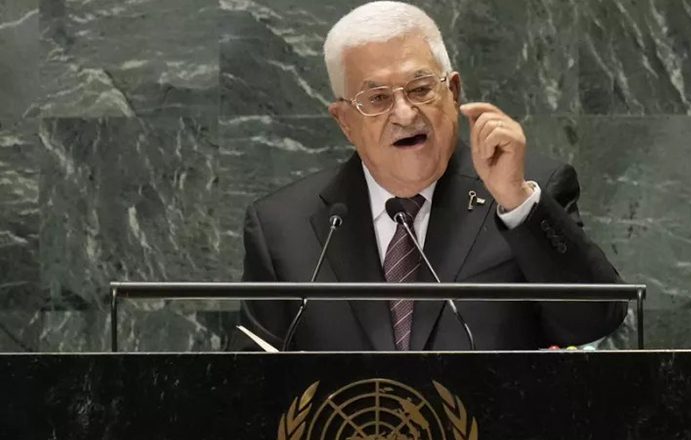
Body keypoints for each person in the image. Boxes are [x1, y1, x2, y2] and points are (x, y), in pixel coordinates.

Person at [231, 1, 626, 351]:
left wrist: (517, 202)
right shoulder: (283, 227)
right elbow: (251, 382)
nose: (404, 115)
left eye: (420, 89)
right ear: (345, 120)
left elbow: (594, 320)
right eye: (377, 99)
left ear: (453, 91)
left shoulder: (525, 194)